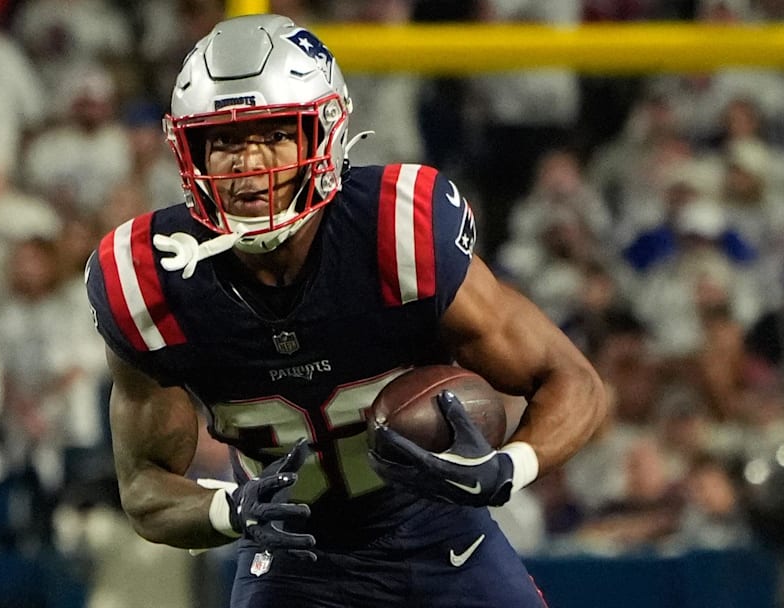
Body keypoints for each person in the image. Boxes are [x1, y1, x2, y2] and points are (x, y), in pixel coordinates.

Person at [84, 14, 606, 607]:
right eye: (224, 139)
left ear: (325, 135)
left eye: (276, 132)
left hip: (437, 534)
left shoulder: (397, 232)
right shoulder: (149, 278)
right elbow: (144, 489)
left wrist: (510, 467)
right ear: (188, 149)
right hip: (292, 552)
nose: (248, 163)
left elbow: (572, 379)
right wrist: (229, 510)